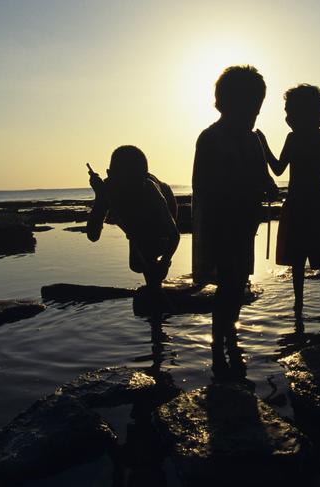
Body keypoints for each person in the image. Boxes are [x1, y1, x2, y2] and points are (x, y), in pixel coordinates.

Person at [192, 65, 278, 380]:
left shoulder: (252, 139)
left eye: (256, 110)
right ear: (223, 105)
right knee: (228, 285)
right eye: (248, 109)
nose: (253, 116)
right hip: (222, 225)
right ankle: (219, 351)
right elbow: (206, 188)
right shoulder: (211, 138)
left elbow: (262, 174)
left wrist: (267, 184)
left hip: (245, 224)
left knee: (238, 284)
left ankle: (230, 339)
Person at [257, 84, 320, 320]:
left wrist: (263, 145)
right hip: (310, 206)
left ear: (307, 113)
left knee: (308, 259)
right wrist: (264, 145)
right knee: (315, 258)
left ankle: (310, 308)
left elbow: (278, 170)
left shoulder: (306, 139)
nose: (287, 118)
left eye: (291, 112)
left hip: (307, 207)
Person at [86, 145, 180, 293]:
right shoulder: (108, 189)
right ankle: (153, 283)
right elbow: (92, 235)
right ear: (110, 175)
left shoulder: (151, 189)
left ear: (144, 176)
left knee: (150, 258)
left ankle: (155, 286)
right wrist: (100, 198)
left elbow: (174, 236)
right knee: (137, 264)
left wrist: (165, 261)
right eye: (125, 183)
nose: (130, 189)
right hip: (135, 224)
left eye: (135, 182)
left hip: (162, 210)